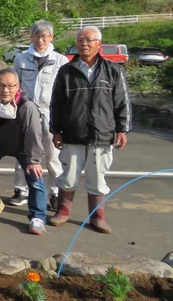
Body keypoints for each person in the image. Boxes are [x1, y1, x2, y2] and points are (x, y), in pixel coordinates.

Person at [49, 26, 130, 234]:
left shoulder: (113, 69)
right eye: (80, 40)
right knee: (68, 176)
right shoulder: (66, 71)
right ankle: (63, 212)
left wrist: (123, 129)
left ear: (99, 44)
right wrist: (55, 130)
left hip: (102, 134)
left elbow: (122, 102)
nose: (84, 43)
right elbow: (56, 103)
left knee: (97, 178)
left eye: (88, 40)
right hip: (72, 133)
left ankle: (97, 217)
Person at [0, 68, 48, 235]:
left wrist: (34, 160)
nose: (6, 90)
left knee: (35, 179)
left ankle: (38, 217)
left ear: (18, 86)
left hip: (24, 146)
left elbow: (34, 133)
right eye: (1, 86)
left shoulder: (27, 106)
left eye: (10, 86)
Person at [11, 20, 69, 210]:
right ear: (31, 36)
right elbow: (15, 86)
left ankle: (55, 193)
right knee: (24, 154)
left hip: (51, 115)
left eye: (45, 36)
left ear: (51, 37)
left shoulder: (60, 60)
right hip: (27, 113)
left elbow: (65, 91)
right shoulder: (21, 59)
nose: (41, 39)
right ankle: (21, 191)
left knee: (53, 156)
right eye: (37, 35)